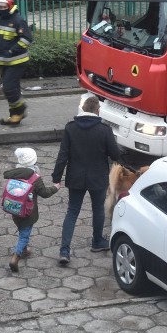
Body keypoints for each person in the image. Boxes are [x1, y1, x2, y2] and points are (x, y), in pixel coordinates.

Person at [52, 94, 120, 264]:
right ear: (98, 110)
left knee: (72, 212)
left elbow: (63, 156)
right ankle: (97, 241)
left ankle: (64, 251)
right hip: (98, 178)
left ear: (82, 109)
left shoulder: (70, 128)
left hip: (75, 178)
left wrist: (56, 177)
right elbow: (115, 154)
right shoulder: (104, 130)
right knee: (98, 209)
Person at [3, 147, 58, 273]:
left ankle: (24, 249)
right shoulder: (34, 177)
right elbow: (44, 193)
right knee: (24, 234)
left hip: (14, 208)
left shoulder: (14, 173)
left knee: (22, 229)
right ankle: (15, 257)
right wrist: (55, 188)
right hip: (28, 212)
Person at [0, 0, 33, 126]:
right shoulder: (1, 20)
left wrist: (11, 51)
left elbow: (27, 39)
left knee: (8, 88)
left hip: (18, 61)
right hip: (5, 61)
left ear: (10, 5)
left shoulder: (18, 20)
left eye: (3, 7)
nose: (1, 9)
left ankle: (20, 110)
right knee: (11, 89)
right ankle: (14, 115)